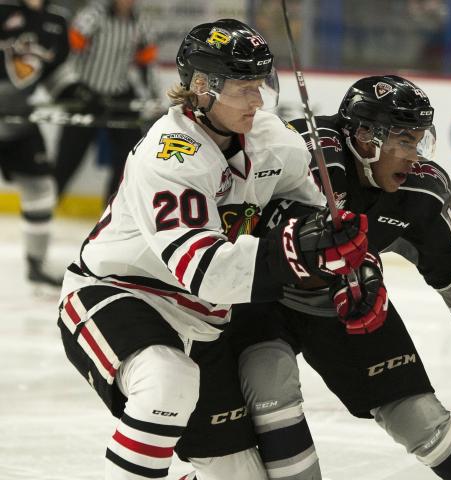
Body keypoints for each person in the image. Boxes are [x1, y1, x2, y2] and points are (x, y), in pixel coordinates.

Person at [56, 19, 379, 480]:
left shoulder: (275, 143)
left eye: (261, 85)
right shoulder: (169, 156)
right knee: (168, 381)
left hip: (205, 320)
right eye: (244, 88)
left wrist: (354, 267)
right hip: (117, 293)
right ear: (203, 88)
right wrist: (297, 252)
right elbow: (204, 270)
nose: (258, 100)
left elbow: (315, 220)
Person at [227, 75, 451, 479]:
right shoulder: (299, 152)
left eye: (419, 141)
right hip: (260, 296)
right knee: (270, 392)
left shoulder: (420, 191)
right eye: (405, 142)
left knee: (418, 416)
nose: (415, 156)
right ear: (366, 137)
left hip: (348, 302)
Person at [52, 0, 158, 204]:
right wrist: (70, 88)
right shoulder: (93, 16)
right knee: (68, 157)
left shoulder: (141, 22)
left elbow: (147, 64)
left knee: (130, 157)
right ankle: (45, 206)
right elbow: (67, 52)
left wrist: (153, 98)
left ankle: (113, 208)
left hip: (119, 94)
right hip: (86, 94)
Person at [0, 0, 69, 288]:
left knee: (40, 188)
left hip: (19, 119)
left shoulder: (56, 20)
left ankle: (36, 263)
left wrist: (74, 90)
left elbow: (55, 73)